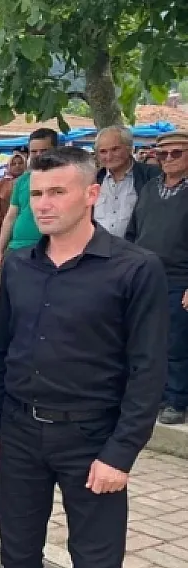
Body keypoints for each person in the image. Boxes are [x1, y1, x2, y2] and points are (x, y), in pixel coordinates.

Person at [0, 147, 168, 568]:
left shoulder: (135, 268)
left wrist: (121, 453)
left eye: (57, 192)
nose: (44, 204)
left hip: (92, 440)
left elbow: (147, 369)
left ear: (92, 193)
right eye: (38, 193)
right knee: (18, 557)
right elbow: (1, 350)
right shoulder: (21, 265)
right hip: (21, 434)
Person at [124, 128, 188, 425]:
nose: (168, 159)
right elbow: (135, 230)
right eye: (162, 153)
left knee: (176, 343)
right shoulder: (150, 188)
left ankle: (176, 400)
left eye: (177, 153)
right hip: (146, 276)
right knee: (147, 341)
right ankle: (156, 397)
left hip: (180, 278)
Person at [0, 128, 59, 268]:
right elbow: (10, 217)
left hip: (48, 250)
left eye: (44, 150)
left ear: (56, 150)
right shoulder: (22, 181)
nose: (38, 155)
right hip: (17, 249)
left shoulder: (65, 180)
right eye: (34, 151)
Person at [93, 125, 160, 237]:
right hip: (97, 249)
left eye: (115, 149)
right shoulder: (93, 180)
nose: (109, 156)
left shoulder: (151, 177)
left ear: (129, 148)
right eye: (103, 151)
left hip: (136, 251)